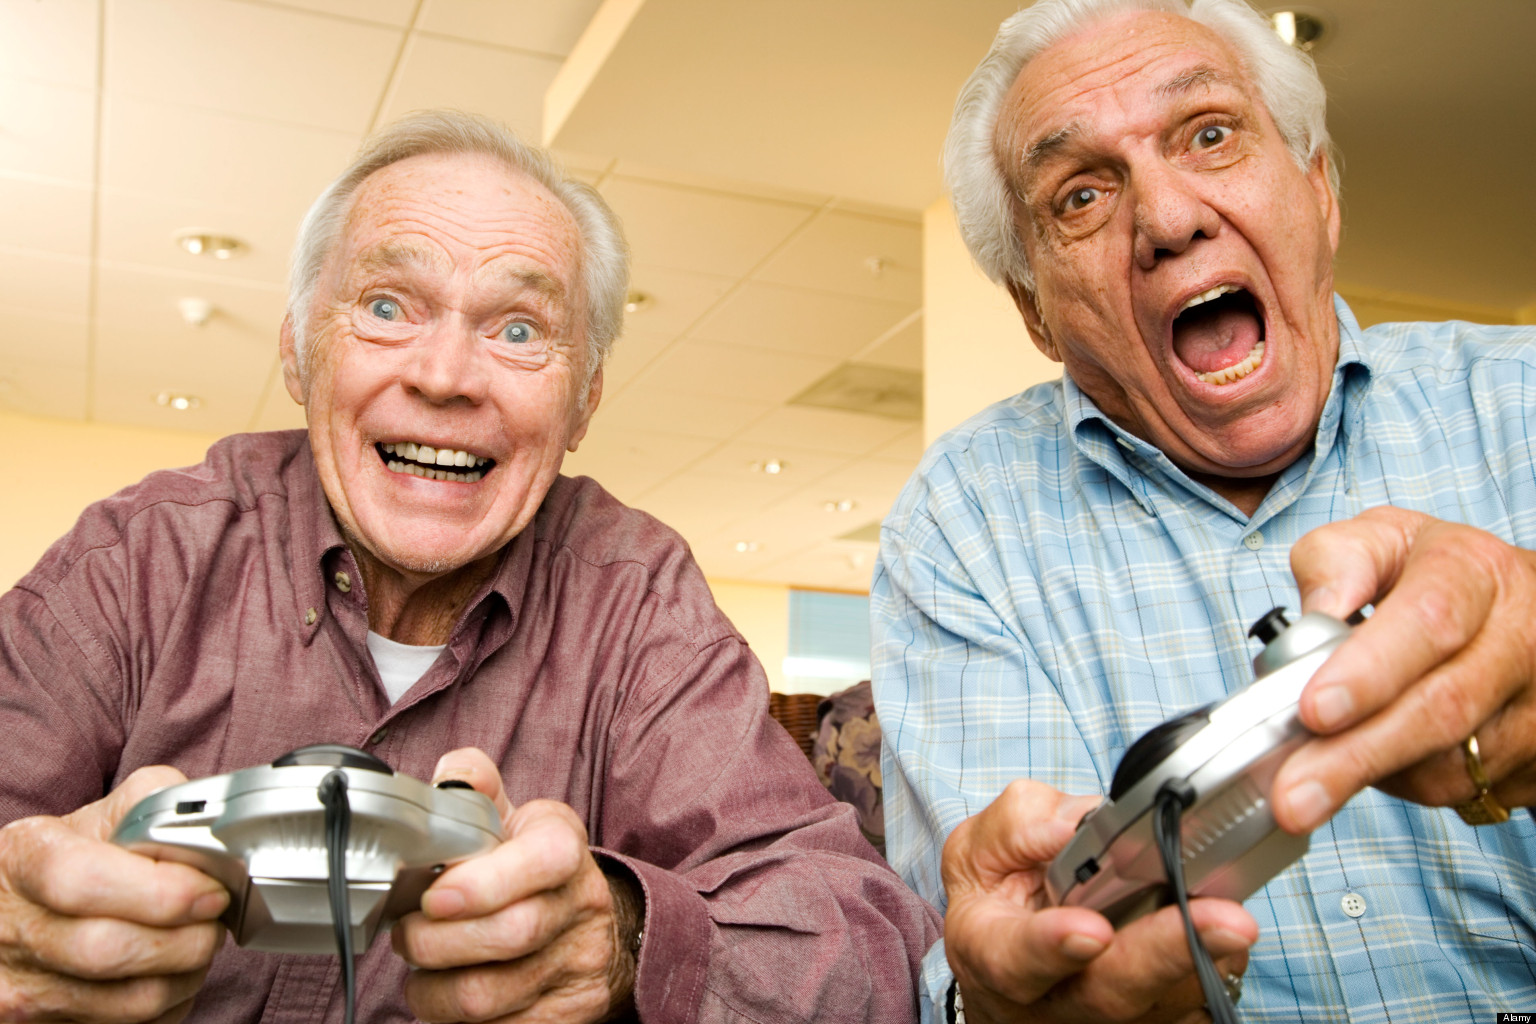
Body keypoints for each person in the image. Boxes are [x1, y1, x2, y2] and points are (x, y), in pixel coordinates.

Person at [0, 110, 940, 1024]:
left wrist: (616, 942)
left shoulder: (638, 599)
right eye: (384, 307)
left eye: (520, 329)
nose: (445, 375)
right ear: (297, 348)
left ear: (583, 401)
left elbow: (869, 950)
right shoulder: (140, 559)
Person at [870, 0, 1536, 1021]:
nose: (1169, 219)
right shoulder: (963, 527)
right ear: (1034, 311)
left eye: (1210, 135)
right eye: (1081, 194)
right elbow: (988, 949)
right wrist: (1000, 1000)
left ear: (1320, 191)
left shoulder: (1520, 404)